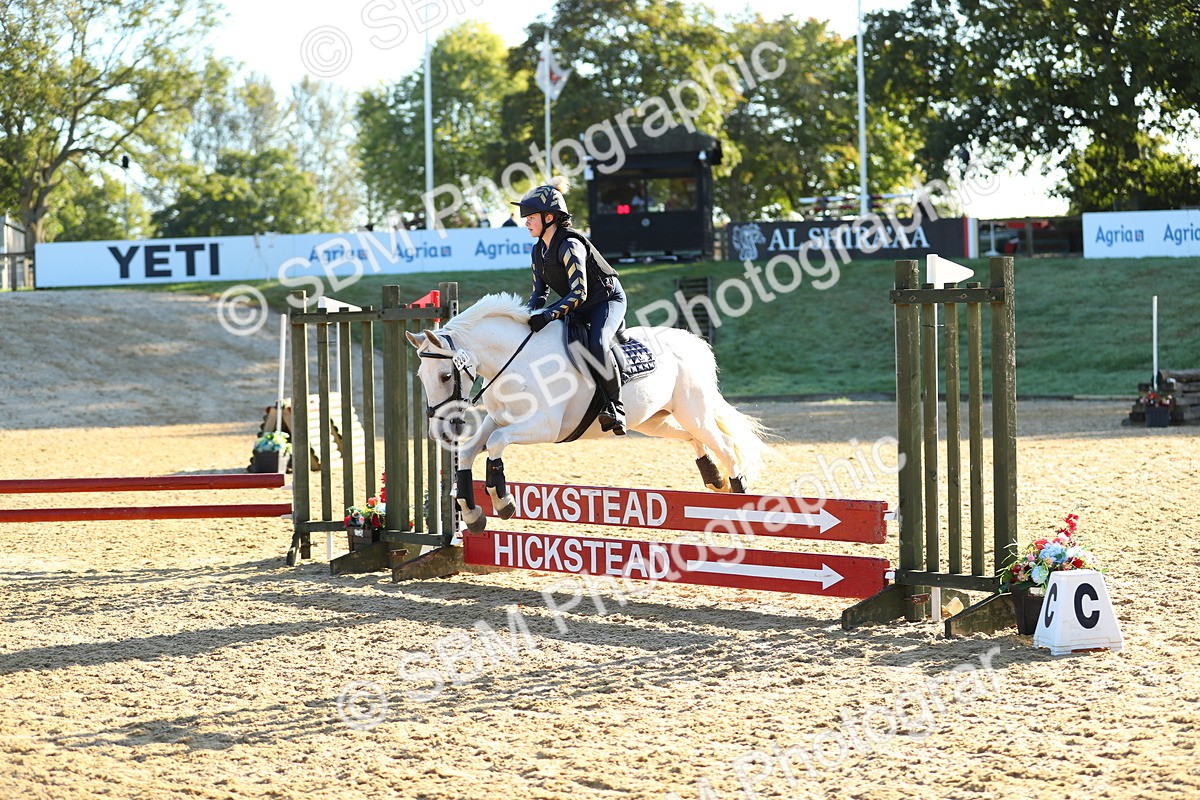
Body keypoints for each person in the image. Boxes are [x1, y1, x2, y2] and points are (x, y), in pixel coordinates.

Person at [513, 176, 628, 435]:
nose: (526, 222)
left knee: (597, 342)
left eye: (531, 216)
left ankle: (616, 407)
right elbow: (538, 296)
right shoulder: (537, 251)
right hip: (578, 306)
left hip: (605, 301)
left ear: (549, 218)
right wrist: (526, 318)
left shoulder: (570, 245)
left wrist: (549, 316)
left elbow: (579, 293)